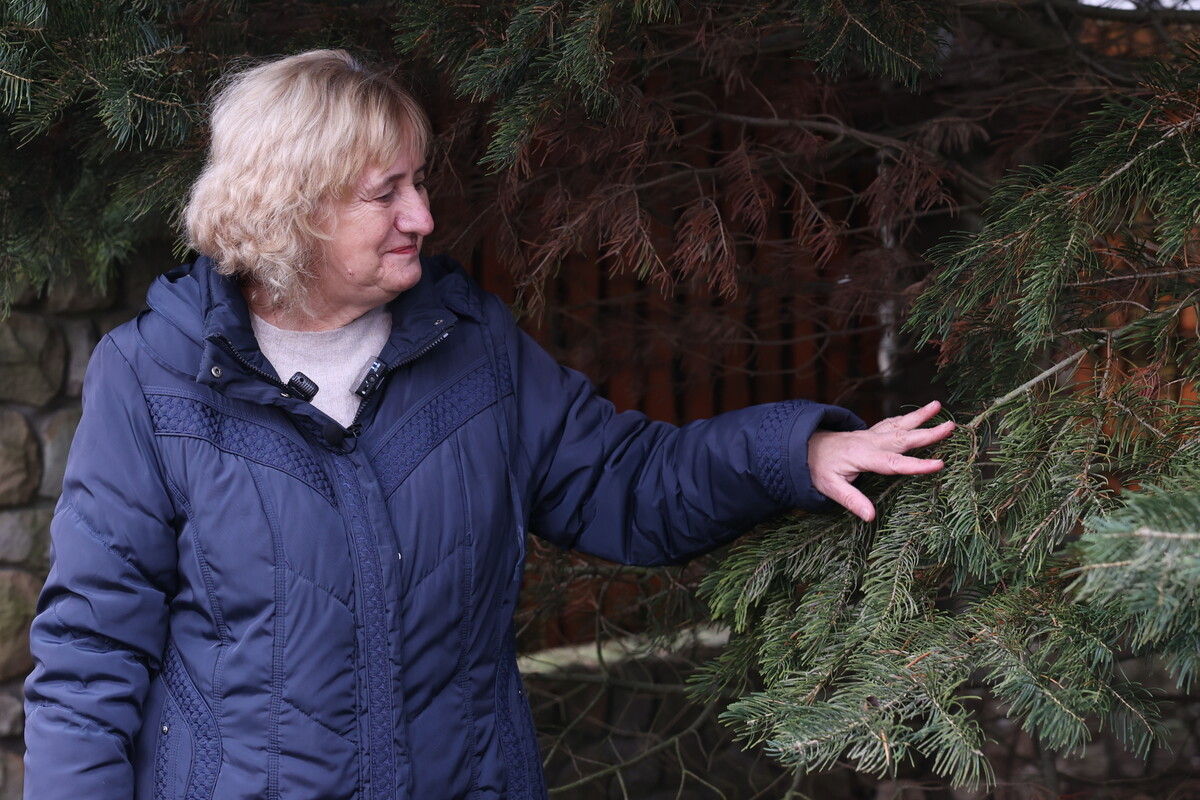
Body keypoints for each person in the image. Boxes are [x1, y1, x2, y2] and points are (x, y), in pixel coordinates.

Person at [23, 49, 955, 800]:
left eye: (418, 183)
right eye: (384, 193)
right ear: (291, 208)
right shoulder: (154, 379)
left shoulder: (476, 352)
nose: (423, 216)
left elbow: (630, 484)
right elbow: (93, 651)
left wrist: (796, 450)